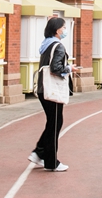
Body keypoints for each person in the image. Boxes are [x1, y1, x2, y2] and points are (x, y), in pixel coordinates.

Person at [29, 17, 79, 172]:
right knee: (55, 123)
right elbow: (55, 68)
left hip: (44, 88)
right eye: (63, 28)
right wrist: (70, 69)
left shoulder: (46, 45)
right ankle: (51, 162)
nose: (65, 31)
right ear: (57, 30)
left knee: (52, 122)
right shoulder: (58, 46)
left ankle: (39, 152)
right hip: (53, 90)